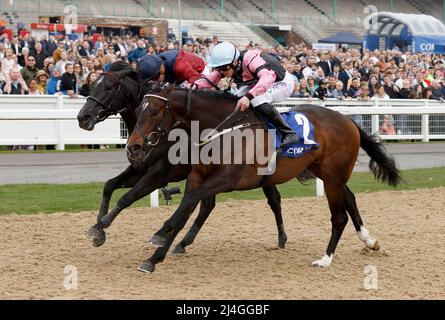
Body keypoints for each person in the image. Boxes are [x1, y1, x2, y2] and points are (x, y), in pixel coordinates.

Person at [195, 41, 298, 148]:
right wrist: (194, 86)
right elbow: (211, 79)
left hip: (280, 82)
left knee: (256, 99)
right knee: (237, 99)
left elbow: (268, 77)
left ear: (234, 62)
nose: (222, 72)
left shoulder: (250, 60)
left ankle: (288, 133)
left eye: (224, 68)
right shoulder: (226, 66)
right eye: (218, 68)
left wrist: (249, 96)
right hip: (257, 82)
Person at [137, 47, 206, 86]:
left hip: (200, 72)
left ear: (162, 69)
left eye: (155, 79)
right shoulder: (158, 62)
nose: (154, 82)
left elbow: (196, 77)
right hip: (181, 77)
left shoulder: (179, 66)